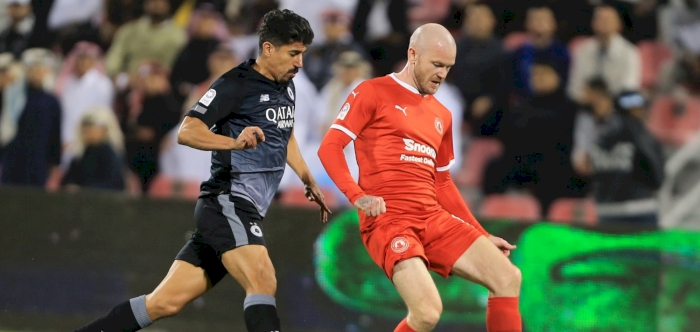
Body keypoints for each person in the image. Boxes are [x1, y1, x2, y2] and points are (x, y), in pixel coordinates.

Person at [74, 9, 330, 332]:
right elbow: (187, 130)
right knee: (263, 278)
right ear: (268, 49)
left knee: (163, 302)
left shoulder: (287, 87)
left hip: (239, 211)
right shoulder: (235, 84)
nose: (300, 63)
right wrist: (233, 144)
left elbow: (284, 133)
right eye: (294, 54)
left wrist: (307, 178)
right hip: (227, 202)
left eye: (303, 54)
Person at [317, 23, 522, 332]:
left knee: (508, 277)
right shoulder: (372, 91)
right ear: (412, 55)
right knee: (426, 313)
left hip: (432, 217)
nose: (442, 74)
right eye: (436, 64)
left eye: (448, 67)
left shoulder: (442, 114)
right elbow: (330, 148)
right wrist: (357, 195)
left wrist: (481, 233)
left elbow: (442, 182)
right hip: (389, 219)